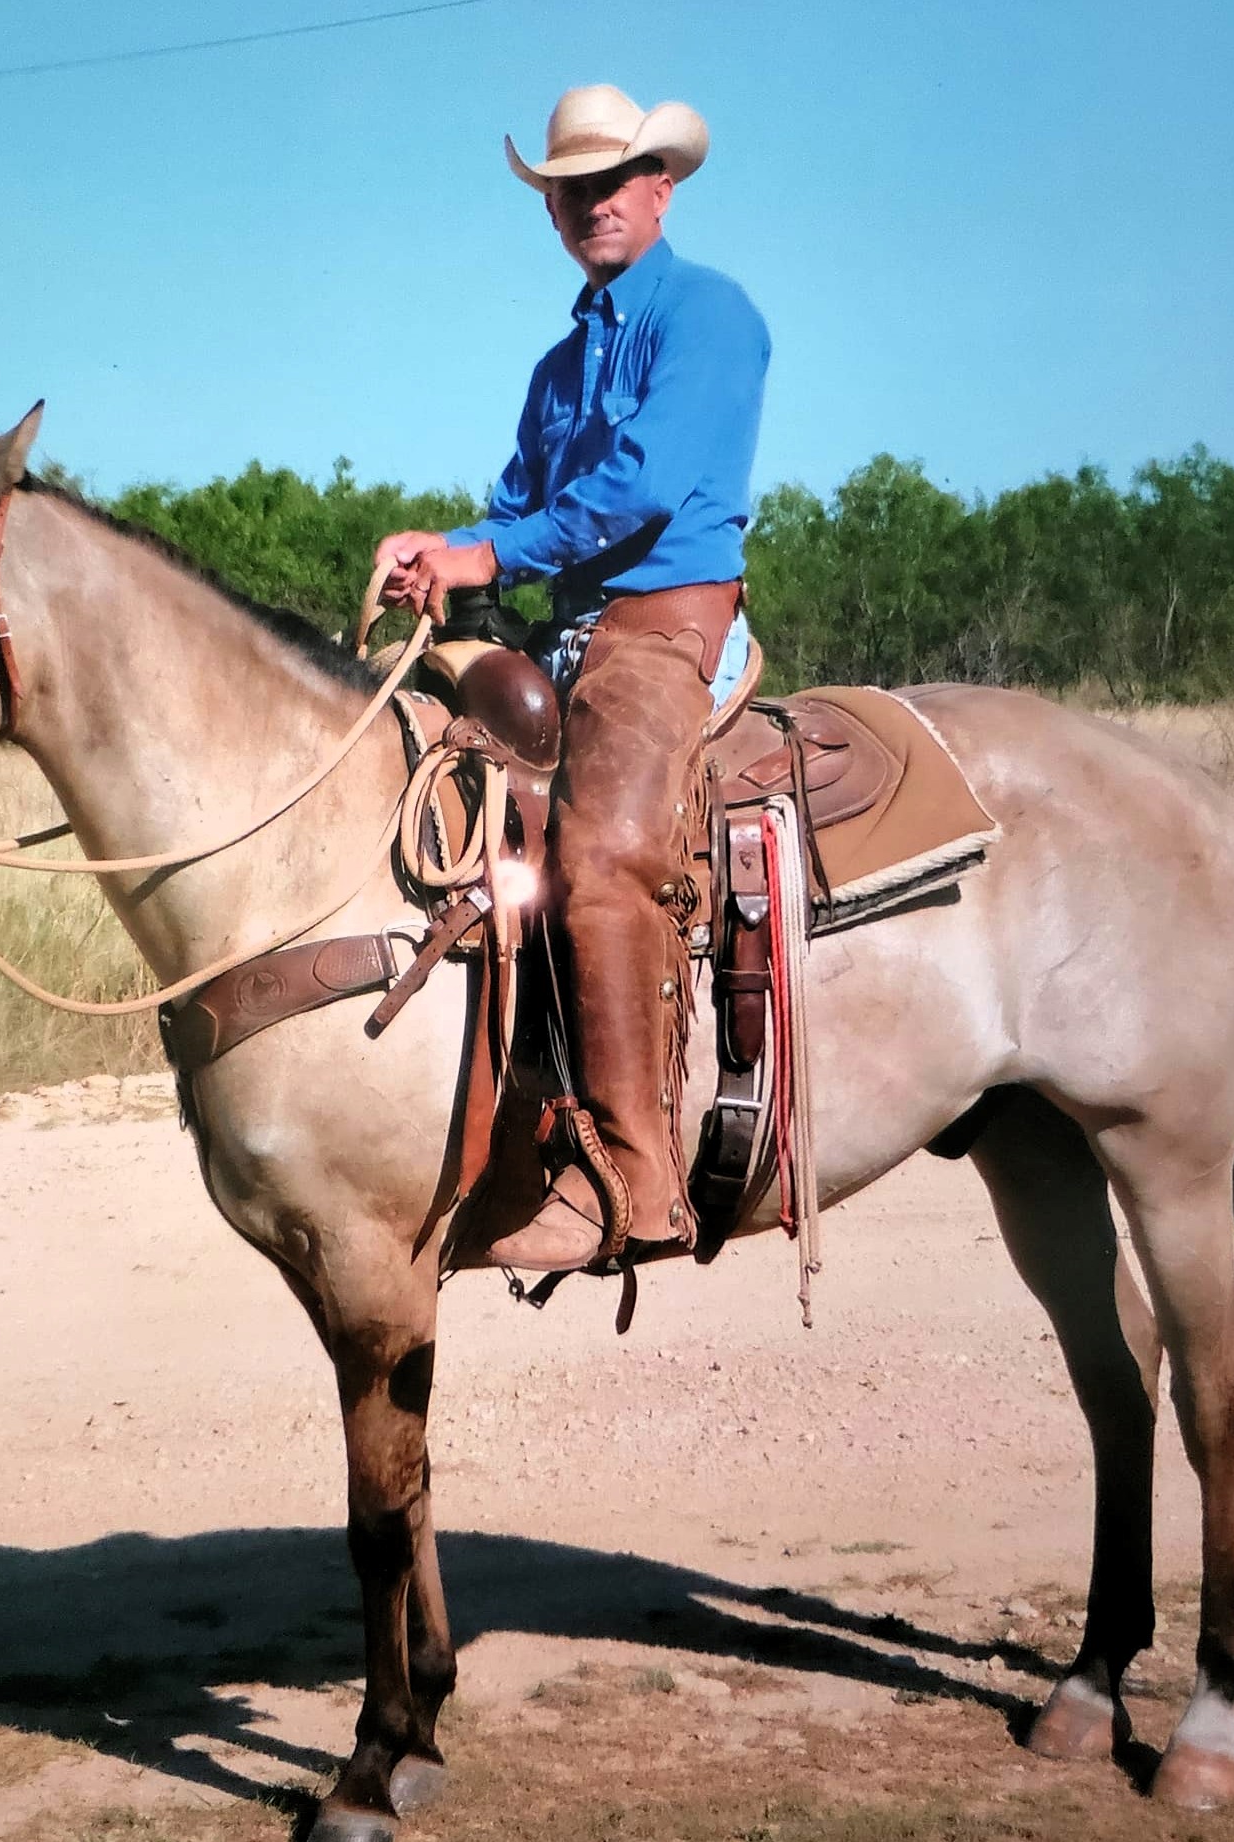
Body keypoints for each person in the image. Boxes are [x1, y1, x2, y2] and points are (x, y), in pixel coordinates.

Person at [376, 84, 770, 1271]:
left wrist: (488, 552)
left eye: (611, 181)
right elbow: (515, 507)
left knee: (599, 858)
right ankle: (515, 1130)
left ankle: (641, 1179)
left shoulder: (709, 316)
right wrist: (435, 552)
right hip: (573, 632)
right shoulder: (559, 366)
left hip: (665, 620)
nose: (590, 204)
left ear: (662, 187)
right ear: (551, 210)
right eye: (568, 189)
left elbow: (643, 488)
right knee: (453, 799)